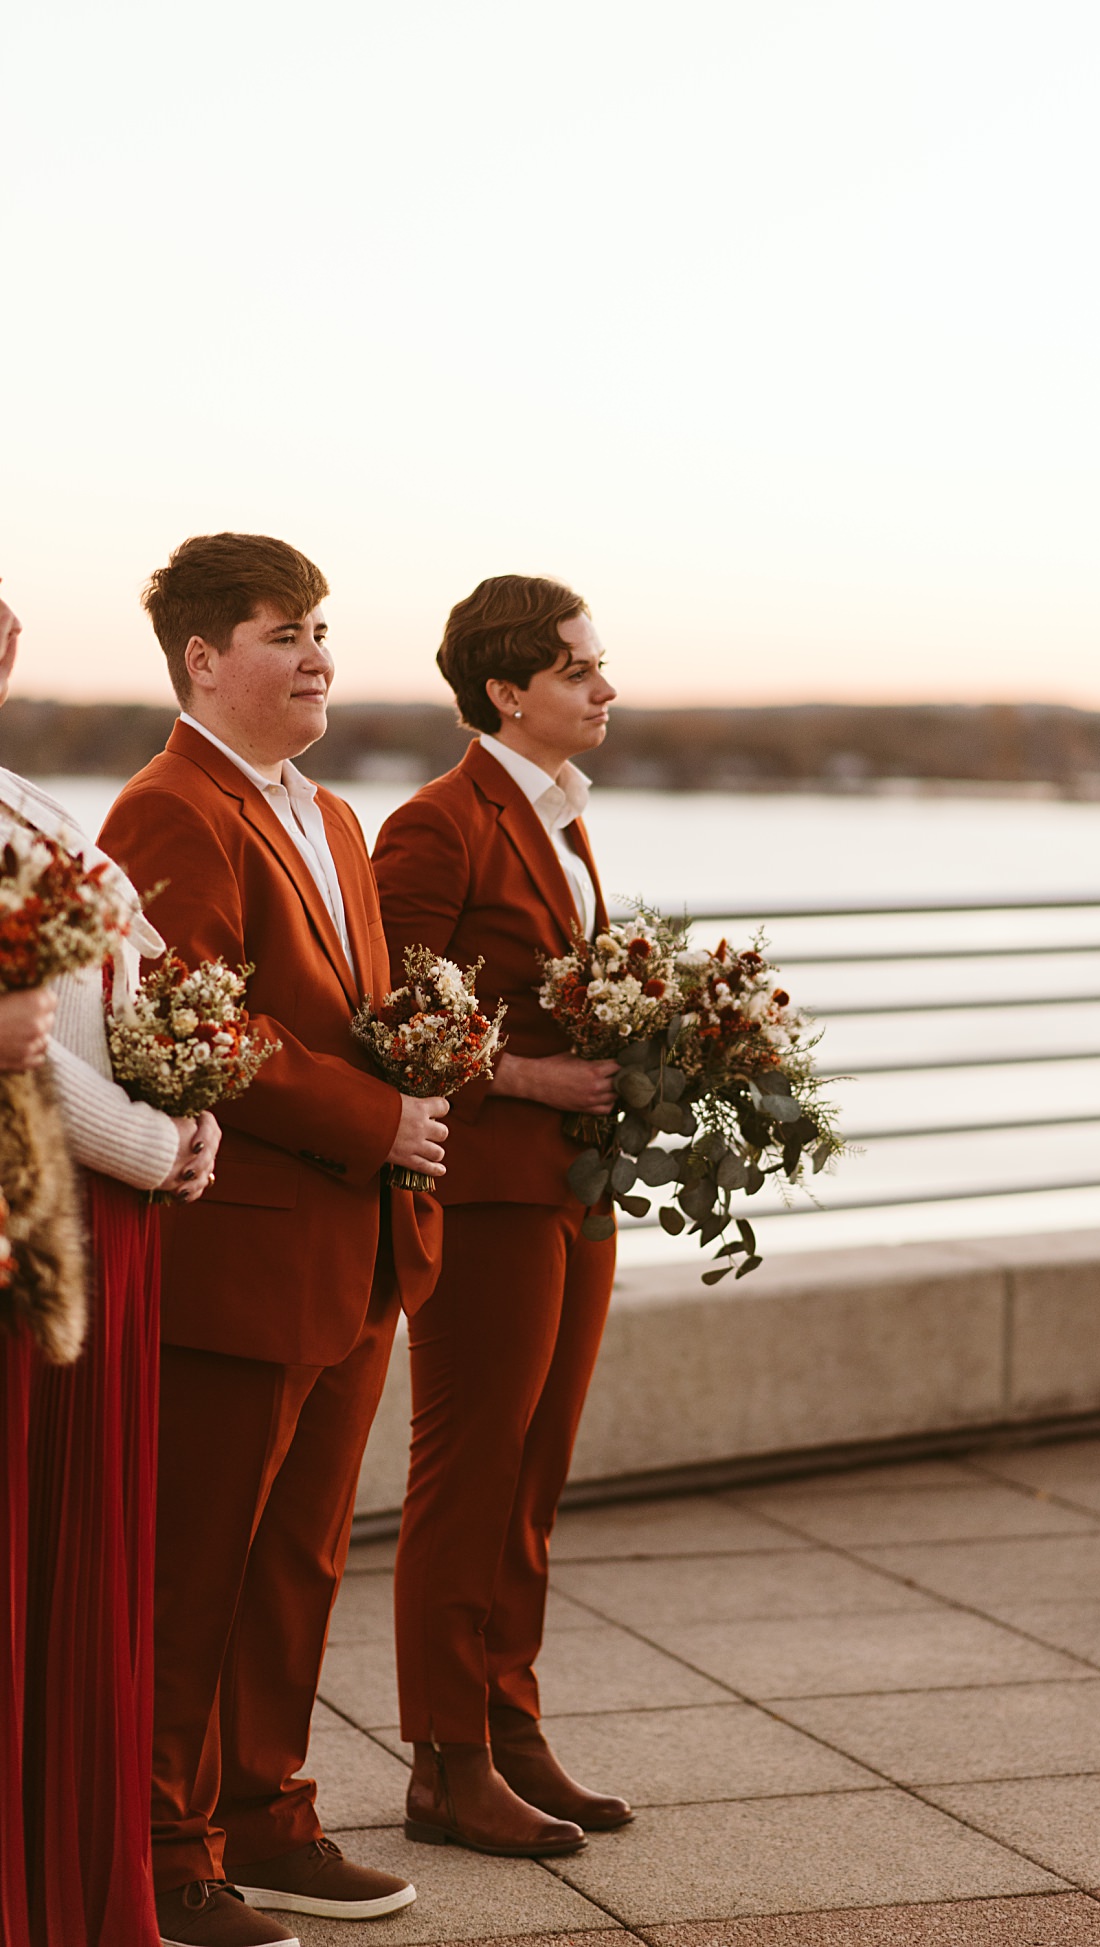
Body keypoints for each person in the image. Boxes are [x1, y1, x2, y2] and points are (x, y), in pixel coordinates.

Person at [99, 534, 446, 1947]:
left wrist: (430, 1063)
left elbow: (342, 1006)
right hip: (238, 1260)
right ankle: (167, 1846)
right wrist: (379, 1117)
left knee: (300, 1556)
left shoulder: (336, 818)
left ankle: (267, 1811)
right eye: (285, 631)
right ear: (201, 659)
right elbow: (198, 1027)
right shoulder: (166, 809)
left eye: (322, 629)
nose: (319, 655)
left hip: (354, 1255)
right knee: (200, 1563)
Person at [372, 574, 632, 1858]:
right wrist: (527, 1076)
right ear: (505, 691)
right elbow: (392, 1023)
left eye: (600, 664)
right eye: (581, 668)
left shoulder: (564, 817)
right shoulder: (436, 826)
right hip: (479, 1194)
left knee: (534, 1478)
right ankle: (444, 1761)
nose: (605, 686)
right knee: (467, 1475)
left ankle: (511, 1726)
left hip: (574, 1191)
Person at [0, 584, 221, 1947]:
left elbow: (116, 982)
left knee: (85, 1569)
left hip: (108, 1226)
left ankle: (75, 1882)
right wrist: (150, 1140)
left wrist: (193, 1099)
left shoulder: (38, 805)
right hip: (40, 1220)